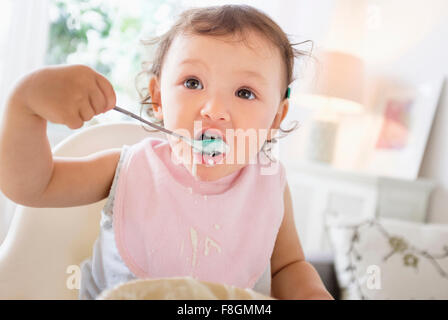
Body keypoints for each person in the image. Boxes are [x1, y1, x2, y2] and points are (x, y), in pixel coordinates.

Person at [0, 4, 332, 300]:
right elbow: (32, 185)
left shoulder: (269, 185)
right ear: (158, 97)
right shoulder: (128, 167)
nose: (214, 110)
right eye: (193, 83)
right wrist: (26, 105)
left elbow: (287, 267)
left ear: (276, 117)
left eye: (244, 92)